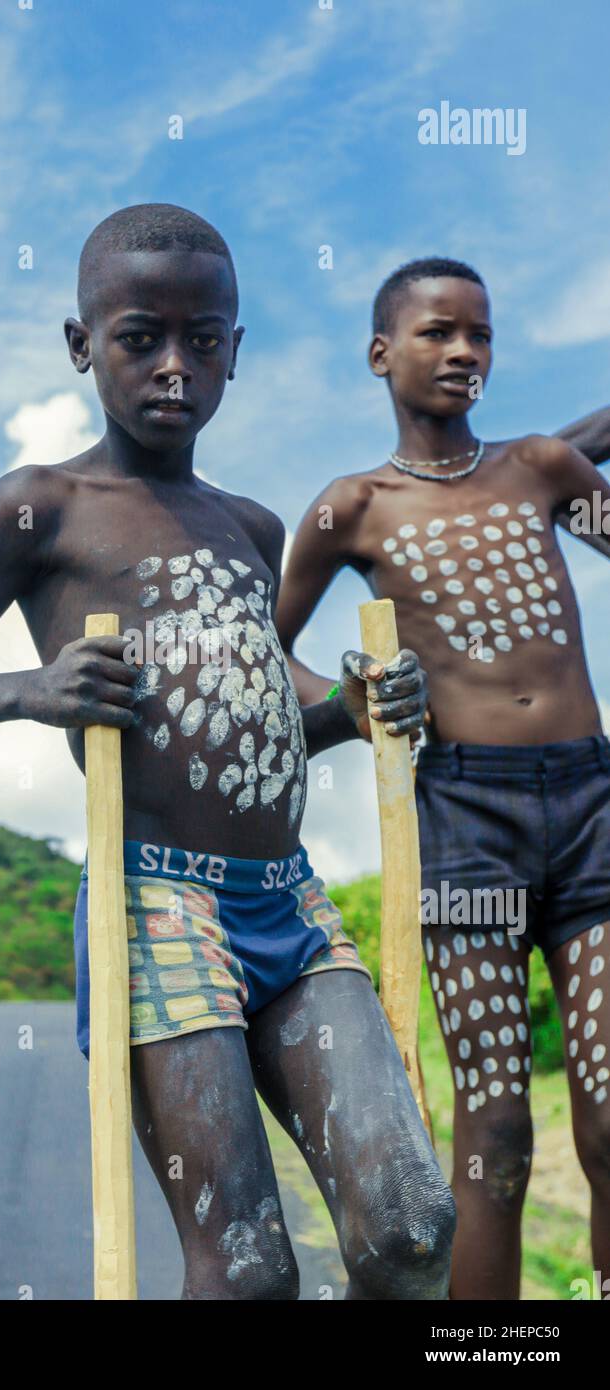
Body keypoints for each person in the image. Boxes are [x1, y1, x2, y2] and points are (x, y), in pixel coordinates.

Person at [0, 209, 455, 1300]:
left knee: (410, 1228)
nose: (171, 368)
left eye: (203, 342)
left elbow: (266, 695)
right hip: (155, 904)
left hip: (286, 904)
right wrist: (32, 690)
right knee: (244, 1272)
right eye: (138, 336)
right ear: (79, 342)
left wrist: (356, 701)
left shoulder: (247, 525)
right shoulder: (38, 507)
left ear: (235, 352)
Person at [276, 256, 610, 1300]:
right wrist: (355, 695)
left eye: (478, 334)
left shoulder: (545, 468)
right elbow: (264, 661)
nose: (463, 350)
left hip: (593, 805)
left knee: (606, 1112)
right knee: (497, 1123)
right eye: (435, 332)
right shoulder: (351, 511)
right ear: (380, 353)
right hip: (463, 816)